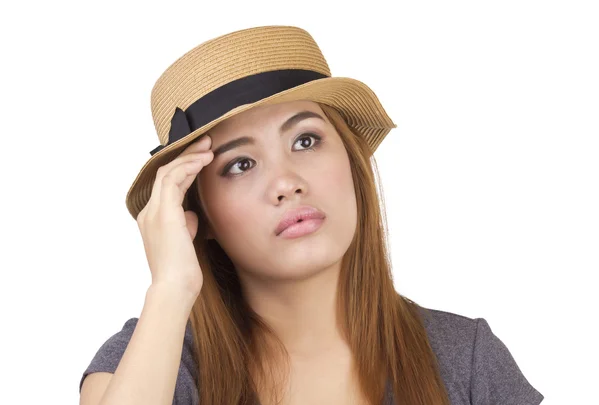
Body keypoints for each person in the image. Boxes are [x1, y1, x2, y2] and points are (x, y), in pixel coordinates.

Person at [78, 26, 544, 405]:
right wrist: (170, 288)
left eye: (305, 140)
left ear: (352, 161)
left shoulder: (466, 360)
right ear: (199, 215)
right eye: (240, 165)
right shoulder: (154, 362)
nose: (286, 183)